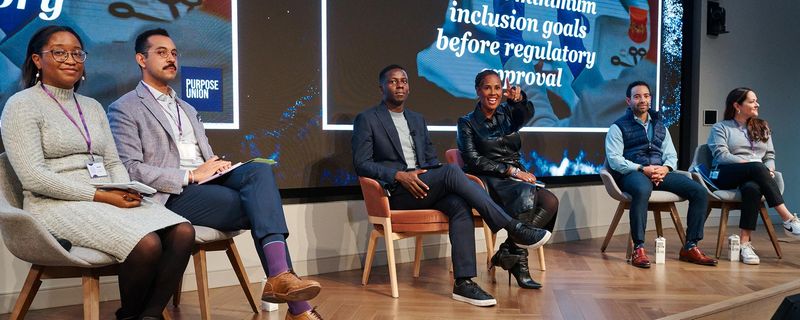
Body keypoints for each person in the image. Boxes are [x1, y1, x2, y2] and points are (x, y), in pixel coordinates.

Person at [106, 28, 322, 320]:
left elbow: (202, 154)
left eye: (174, 53)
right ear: (141, 59)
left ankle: (281, 278)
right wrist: (190, 175)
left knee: (260, 170)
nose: (171, 59)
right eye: (161, 52)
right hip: (173, 193)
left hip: (208, 180)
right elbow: (130, 168)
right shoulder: (125, 107)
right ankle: (297, 306)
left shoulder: (187, 108)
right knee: (260, 206)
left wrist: (217, 166)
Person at [1, 25, 194, 320]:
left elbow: (113, 163)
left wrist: (124, 190)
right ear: (37, 60)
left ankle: (150, 315)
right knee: (147, 243)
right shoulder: (21, 105)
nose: (70, 60)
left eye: (77, 53)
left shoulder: (92, 107)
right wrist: (100, 195)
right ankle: (129, 315)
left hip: (106, 196)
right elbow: (33, 176)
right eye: (59, 53)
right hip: (53, 205)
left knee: (183, 232)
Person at [352, 64, 552, 307]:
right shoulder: (367, 119)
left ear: (409, 87)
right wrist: (399, 175)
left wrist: (431, 174)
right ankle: (513, 227)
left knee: (459, 204)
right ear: (382, 87)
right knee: (451, 171)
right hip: (396, 192)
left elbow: (429, 159)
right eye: (393, 81)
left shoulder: (416, 119)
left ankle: (463, 283)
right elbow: (362, 164)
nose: (400, 85)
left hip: (424, 186)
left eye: (403, 81)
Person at [456, 69, 559, 289]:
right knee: (526, 194)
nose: (493, 93)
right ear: (478, 91)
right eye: (487, 87)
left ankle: (507, 251)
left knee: (550, 201)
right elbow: (473, 160)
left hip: (516, 175)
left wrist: (518, 100)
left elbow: (526, 114)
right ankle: (520, 266)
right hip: (489, 177)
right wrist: (510, 171)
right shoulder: (466, 123)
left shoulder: (507, 112)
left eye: (497, 87)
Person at [605, 80, 717, 268]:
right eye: (637, 96)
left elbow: (671, 155)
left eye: (646, 96)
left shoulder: (660, 126)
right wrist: (642, 169)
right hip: (633, 173)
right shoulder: (618, 127)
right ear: (628, 101)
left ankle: (690, 246)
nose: (642, 100)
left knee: (699, 191)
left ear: (650, 98)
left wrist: (665, 169)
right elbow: (615, 160)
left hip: (659, 172)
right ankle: (638, 248)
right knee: (642, 190)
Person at [707, 87, 800, 265]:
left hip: (755, 175)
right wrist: (750, 164)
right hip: (725, 173)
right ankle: (788, 219)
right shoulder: (721, 127)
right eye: (752, 101)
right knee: (756, 167)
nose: (757, 104)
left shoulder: (762, 126)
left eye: (756, 100)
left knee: (752, 188)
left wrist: (769, 169)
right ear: (737, 106)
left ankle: (744, 244)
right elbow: (721, 156)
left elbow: (769, 155)